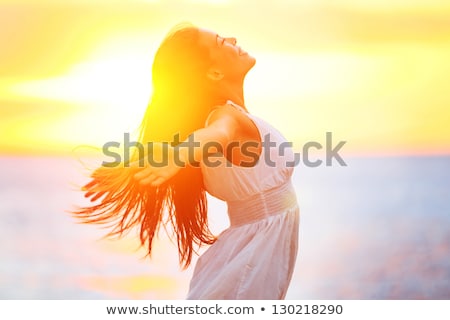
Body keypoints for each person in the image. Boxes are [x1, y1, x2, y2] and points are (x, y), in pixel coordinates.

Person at [76, 22, 300, 299]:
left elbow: (198, 140)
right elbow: (216, 134)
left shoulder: (217, 120)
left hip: (245, 257)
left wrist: (139, 163)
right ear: (214, 72)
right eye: (221, 41)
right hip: (249, 264)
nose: (232, 38)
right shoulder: (227, 119)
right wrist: (181, 154)